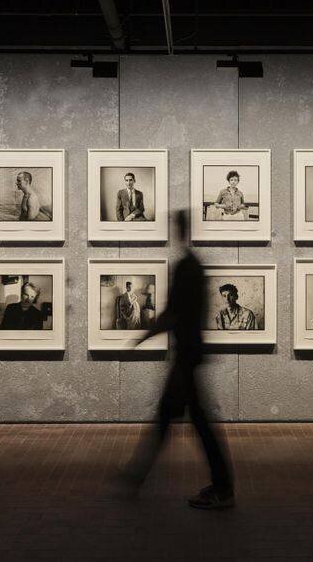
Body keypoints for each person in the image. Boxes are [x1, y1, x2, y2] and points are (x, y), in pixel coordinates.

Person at [120, 210, 234, 510]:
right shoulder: (194, 266)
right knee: (174, 419)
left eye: (175, 225)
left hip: (186, 357)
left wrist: (143, 336)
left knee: (186, 421)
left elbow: (173, 313)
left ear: (179, 229)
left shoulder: (186, 267)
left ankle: (222, 489)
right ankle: (137, 475)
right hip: (190, 354)